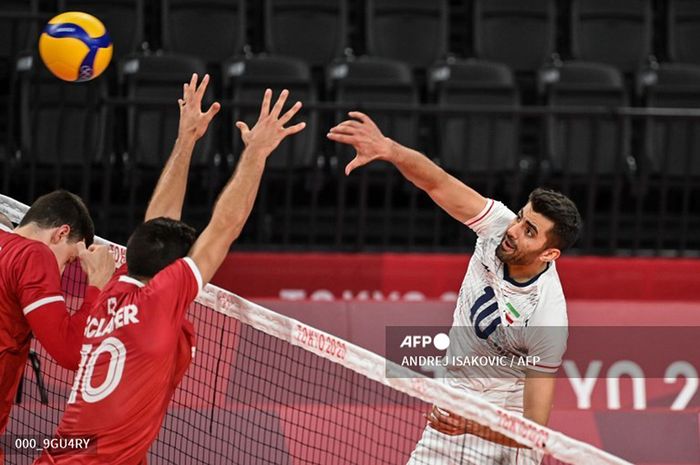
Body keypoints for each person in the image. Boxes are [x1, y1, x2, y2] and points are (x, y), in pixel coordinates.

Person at [34, 74, 305, 464]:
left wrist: (186, 138)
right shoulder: (160, 298)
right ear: (171, 272)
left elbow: (157, 223)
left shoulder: (117, 286)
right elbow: (224, 228)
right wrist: (257, 153)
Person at [328, 112, 582, 464]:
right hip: (453, 409)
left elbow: (535, 429)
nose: (514, 229)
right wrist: (389, 149)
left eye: (529, 231)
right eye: (522, 217)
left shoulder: (546, 315)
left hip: (503, 428)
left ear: (550, 253)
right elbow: (437, 183)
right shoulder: (498, 225)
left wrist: (474, 426)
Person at [0, 191, 115, 460]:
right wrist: (98, 285)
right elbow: (71, 351)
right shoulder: (34, 255)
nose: (61, 273)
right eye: (69, 260)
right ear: (61, 233)